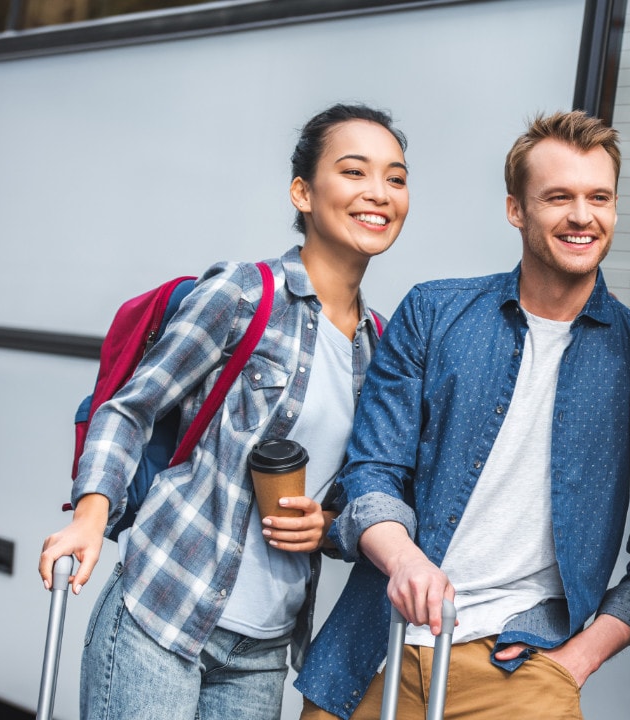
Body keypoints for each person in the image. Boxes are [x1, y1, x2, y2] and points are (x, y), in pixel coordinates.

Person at [295, 110, 630, 720]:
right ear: (517, 210)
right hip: (374, 651)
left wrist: (577, 661)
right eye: (558, 197)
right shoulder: (434, 312)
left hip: (521, 669)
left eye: (599, 198)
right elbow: (371, 471)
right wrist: (406, 562)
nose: (582, 216)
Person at [37, 103, 410, 719]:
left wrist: (329, 525)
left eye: (395, 178)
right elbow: (130, 409)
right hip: (164, 607)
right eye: (353, 172)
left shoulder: (380, 343)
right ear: (303, 192)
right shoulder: (241, 294)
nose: (378, 193)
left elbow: (358, 487)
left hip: (262, 648)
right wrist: (89, 514)